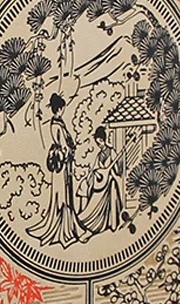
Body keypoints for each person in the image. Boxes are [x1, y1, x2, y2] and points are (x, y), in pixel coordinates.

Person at [27, 93, 87, 248]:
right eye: (62, 108)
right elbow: (63, 145)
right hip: (62, 162)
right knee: (63, 192)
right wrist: (70, 151)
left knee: (61, 192)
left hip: (59, 161)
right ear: (59, 109)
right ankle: (65, 226)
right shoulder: (57, 125)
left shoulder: (56, 123)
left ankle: (67, 223)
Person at [79, 126, 125, 234]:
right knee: (89, 189)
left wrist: (116, 163)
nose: (98, 143)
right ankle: (88, 216)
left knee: (111, 187)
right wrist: (94, 175)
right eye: (97, 141)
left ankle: (111, 223)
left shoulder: (111, 152)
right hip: (101, 183)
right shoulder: (99, 155)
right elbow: (94, 169)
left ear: (103, 139)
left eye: (99, 141)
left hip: (109, 182)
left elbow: (118, 171)